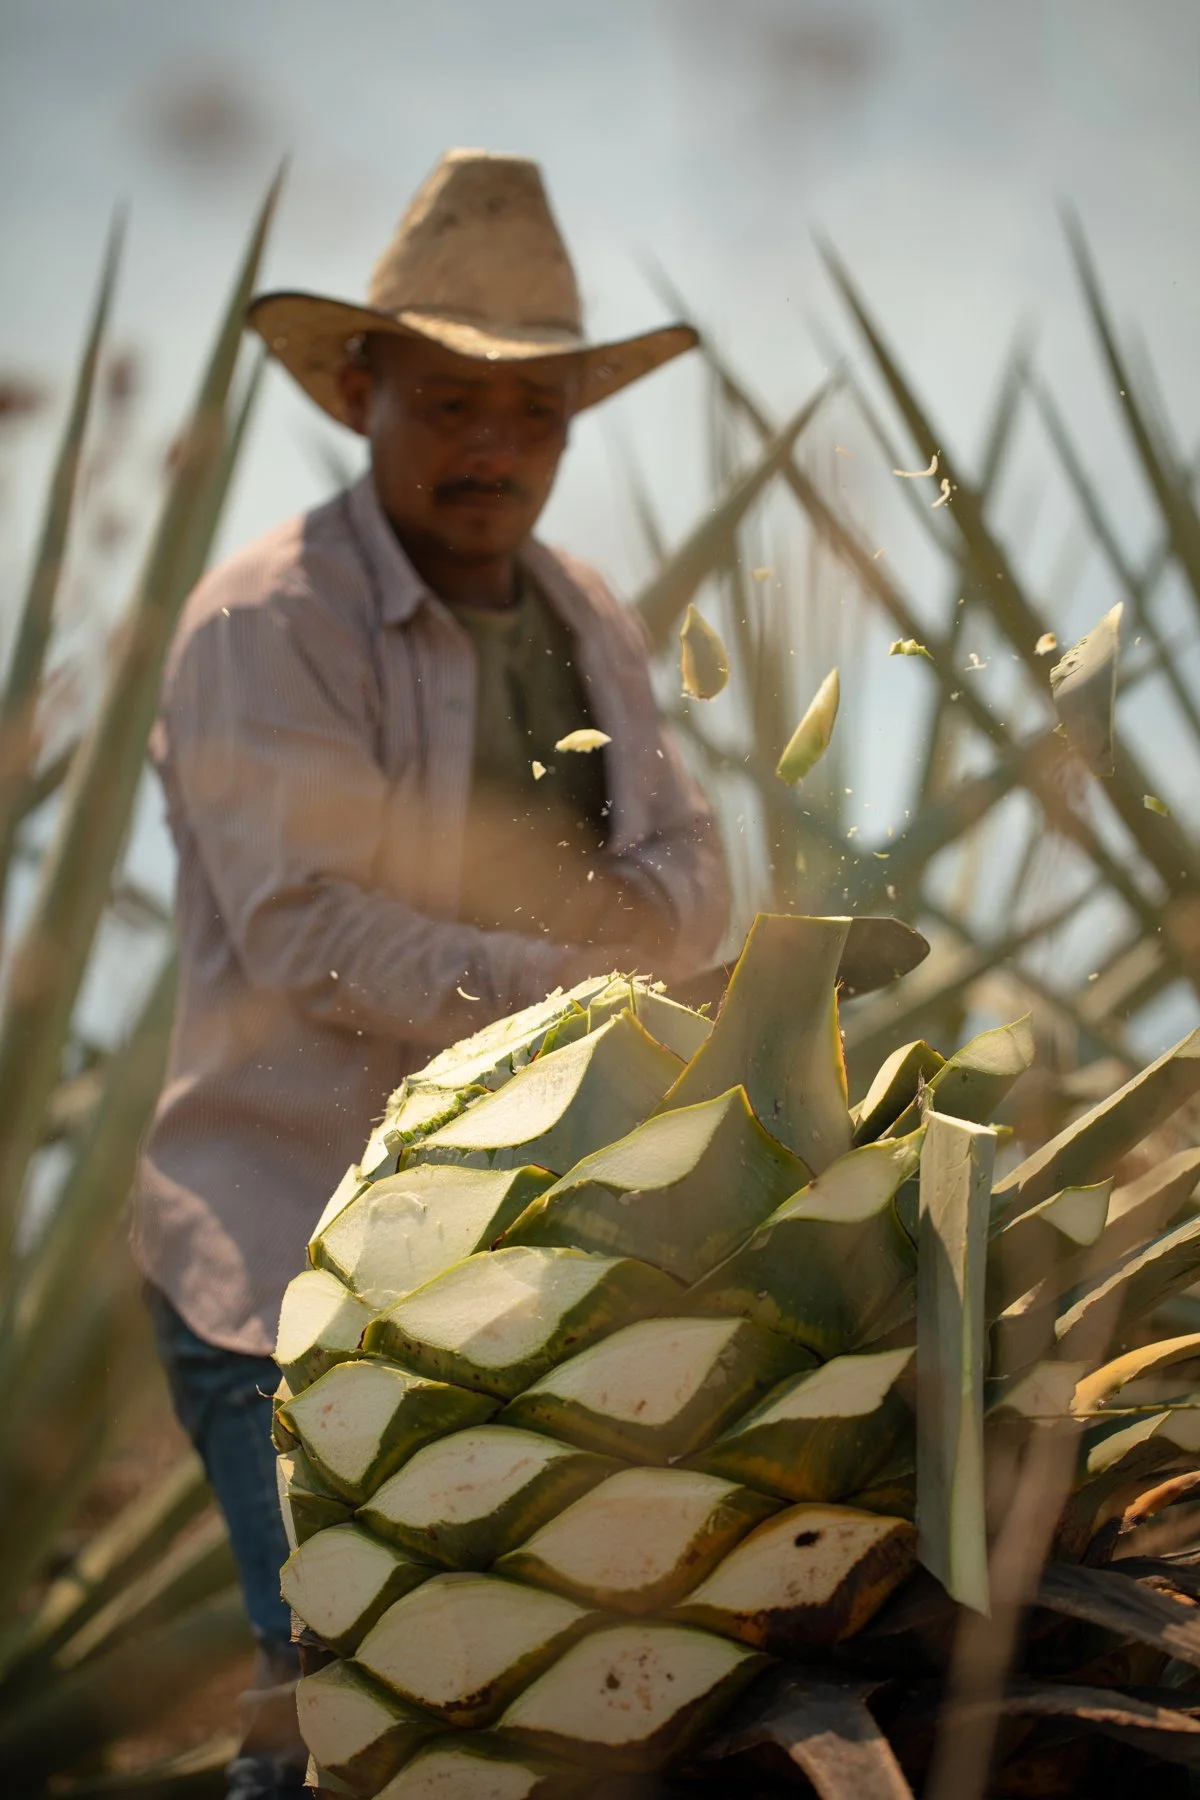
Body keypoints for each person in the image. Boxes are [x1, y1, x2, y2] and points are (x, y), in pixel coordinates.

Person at [130, 148, 729, 1799]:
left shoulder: (586, 610)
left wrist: (621, 941)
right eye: (453, 401)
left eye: (535, 411)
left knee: (530, 1714)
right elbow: (317, 937)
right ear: (360, 386)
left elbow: (699, 875)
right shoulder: (268, 621)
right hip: (288, 1262)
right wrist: (590, 969)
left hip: (528, 1267)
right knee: (332, 1709)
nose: (495, 447)